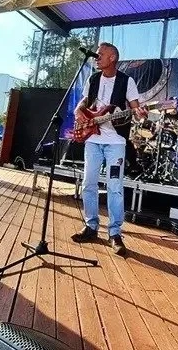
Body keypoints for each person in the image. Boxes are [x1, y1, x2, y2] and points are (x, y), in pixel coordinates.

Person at [71, 42, 145, 255]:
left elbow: (135, 108)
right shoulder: (93, 79)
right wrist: (79, 113)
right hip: (93, 139)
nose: (96, 57)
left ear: (112, 57)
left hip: (115, 142)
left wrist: (140, 113)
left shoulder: (126, 81)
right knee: (88, 184)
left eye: (101, 54)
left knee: (114, 187)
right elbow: (84, 103)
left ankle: (115, 233)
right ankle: (91, 226)